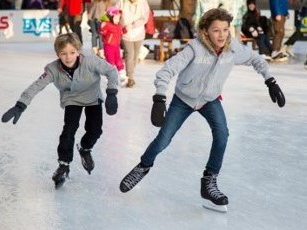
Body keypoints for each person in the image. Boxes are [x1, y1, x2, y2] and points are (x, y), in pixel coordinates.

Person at [119, 8, 285, 213]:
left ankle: (209, 181)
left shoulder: (232, 48)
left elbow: (256, 59)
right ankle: (143, 166)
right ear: (206, 32)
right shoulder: (194, 48)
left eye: (225, 30)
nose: (222, 35)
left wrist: (270, 81)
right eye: (216, 30)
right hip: (183, 99)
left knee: (222, 135)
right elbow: (167, 70)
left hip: (210, 100)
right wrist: (160, 97)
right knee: (163, 139)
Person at [1, 33, 119, 189]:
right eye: (63, 53)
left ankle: (85, 148)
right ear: (58, 54)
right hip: (71, 99)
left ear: (78, 51)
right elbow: (37, 85)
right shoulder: (52, 69)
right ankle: (63, 165)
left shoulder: (90, 61)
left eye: (72, 52)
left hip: (92, 97)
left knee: (95, 130)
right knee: (69, 130)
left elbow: (112, 71)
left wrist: (111, 92)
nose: (68, 57)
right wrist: (21, 104)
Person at [115, 0, 150, 88]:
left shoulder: (143, 2)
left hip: (139, 33)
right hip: (125, 33)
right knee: (130, 54)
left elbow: (145, 17)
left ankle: (130, 74)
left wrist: (133, 24)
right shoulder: (121, 2)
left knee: (135, 56)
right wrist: (119, 22)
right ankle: (130, 78)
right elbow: (115, 13)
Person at [100, 6, 127, 85]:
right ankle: (110, 78)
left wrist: (125, 30)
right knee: (110, 62)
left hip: (116, 46)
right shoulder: (107, 24)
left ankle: (122, 76)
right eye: (115, 18)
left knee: (119, 61)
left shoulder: (118, 25)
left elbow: (121, 32)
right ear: (111, 17)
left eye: (118, 18)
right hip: (109, 46)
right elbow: (102, 32)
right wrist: (102, 27)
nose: (117, 20)